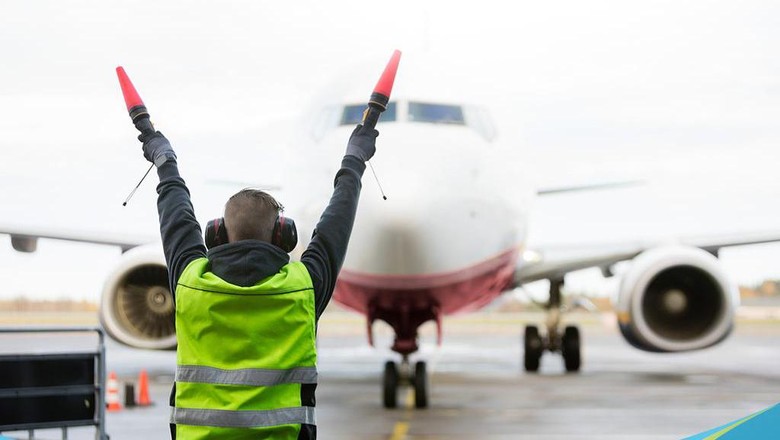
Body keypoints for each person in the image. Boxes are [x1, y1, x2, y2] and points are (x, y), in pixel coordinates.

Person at [138, 121, 378, 439]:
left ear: (217, 234)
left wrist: (165, 162)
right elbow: (337, 221)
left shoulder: (190, 283)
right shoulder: (303, 287)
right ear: (283, 235)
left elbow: (176, 216)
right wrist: (354, 161)